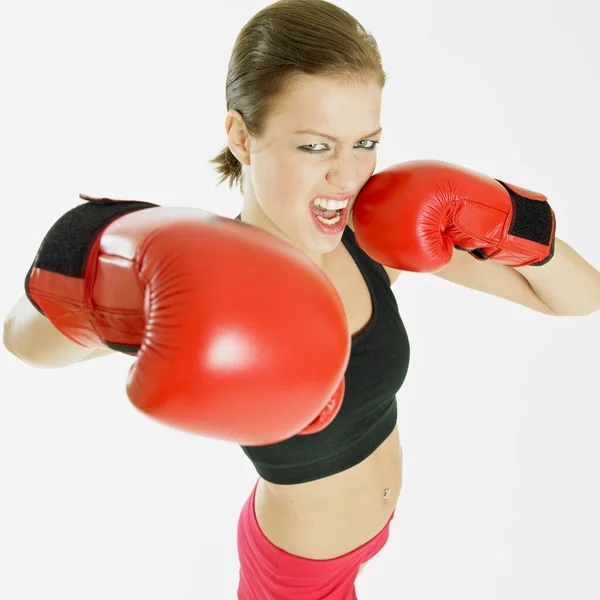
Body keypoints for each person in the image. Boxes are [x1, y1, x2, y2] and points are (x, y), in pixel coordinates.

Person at [4, 1, 600, 599]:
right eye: (316, 147)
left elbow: (577, 299)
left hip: (370, 544)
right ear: (242, 135)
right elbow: (25, 344)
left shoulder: (373, 241)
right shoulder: (209, 282)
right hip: (295, 581)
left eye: (364, 142)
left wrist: (512, 222)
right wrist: (91, 247)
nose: (347, 177)